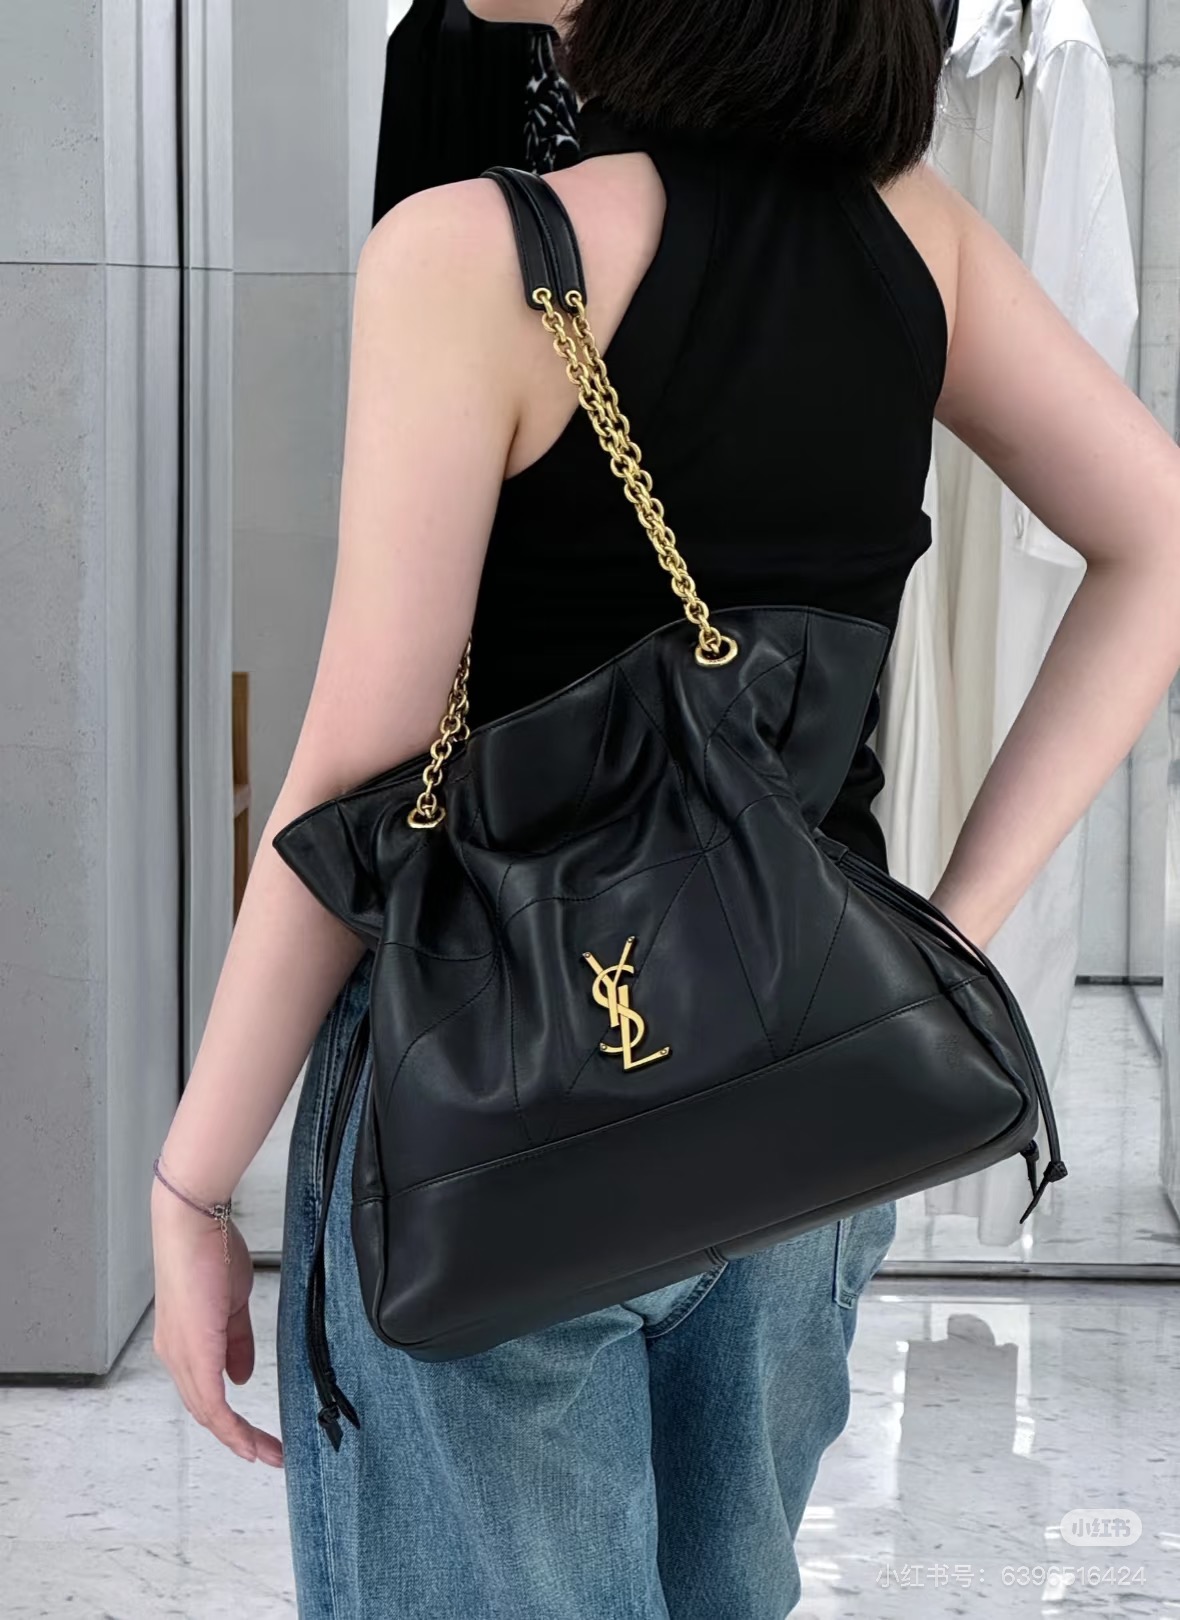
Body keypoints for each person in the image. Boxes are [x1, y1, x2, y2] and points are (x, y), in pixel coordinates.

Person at [149, 2, 1180, 1616]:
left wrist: (195, 1179)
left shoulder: (475, 255)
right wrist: (936, 951)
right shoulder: (916, 232)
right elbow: (1157, 541)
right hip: (802, 1101)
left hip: (492, 1104)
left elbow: (361, 772)